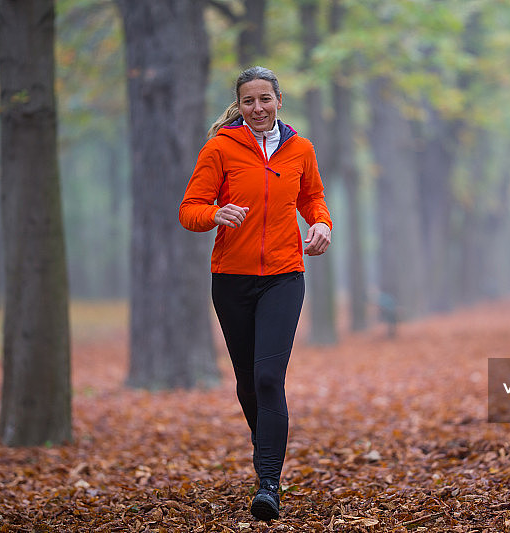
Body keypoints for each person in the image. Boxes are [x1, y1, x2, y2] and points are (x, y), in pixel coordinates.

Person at [179, 66, 332, 521]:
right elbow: (189, 210)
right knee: (248, 381)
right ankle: (266, 444)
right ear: (239, 105)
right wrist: (215, 214)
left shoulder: (300, 149)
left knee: (269, 379)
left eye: (265, 99)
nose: (258, 107)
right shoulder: (220, 148)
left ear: (278, 100)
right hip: (231, 279)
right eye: (249, 101)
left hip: (285, 276)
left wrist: (321, 223)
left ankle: (268, 482)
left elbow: (312, 197)